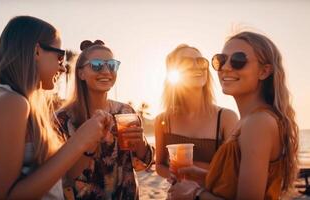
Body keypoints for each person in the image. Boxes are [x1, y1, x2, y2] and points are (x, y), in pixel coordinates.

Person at [0, 16, 112, 199]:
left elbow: (64, 177)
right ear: (37, 51)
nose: (62, 68)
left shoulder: (23, 102)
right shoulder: (11, 102)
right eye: (60, 57)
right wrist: (78, 141)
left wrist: (88, 143)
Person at [168, 31, 299, 200]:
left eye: (238, 61)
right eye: (221, 60)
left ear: (264, 71)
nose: (226, 67)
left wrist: (195, 194)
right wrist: (203, 176)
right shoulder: (248, 120)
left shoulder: (258, 123)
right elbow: (235, 184)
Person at [56, 40, 154, 200]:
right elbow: (64, 176)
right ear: (81, 73)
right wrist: (89, 144)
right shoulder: (63, 118)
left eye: (112, 65)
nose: (106, 71)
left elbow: (142, 164)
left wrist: (141, 144)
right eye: (96, 65)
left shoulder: (126, 112)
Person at [154, 44, 238, 182]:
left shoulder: (226, 118)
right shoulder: (163, 120)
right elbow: (159, 165)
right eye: (186, 62)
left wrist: (195, 174)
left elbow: (233, 173)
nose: (196, 66)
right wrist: (176, 176)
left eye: (200, 61)